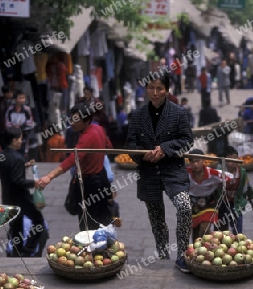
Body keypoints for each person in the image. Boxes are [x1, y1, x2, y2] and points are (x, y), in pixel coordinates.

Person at [124, 75, 194, 273]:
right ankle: (163, 254)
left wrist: (164, 149)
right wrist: (143, 156)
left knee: (185, 207)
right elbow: (130, 145)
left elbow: (187, 140)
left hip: (173, 170)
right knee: (156, 218)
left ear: (167, 90)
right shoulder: (137, 115)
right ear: (146, 89)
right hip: (148, 173)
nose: (155, 93)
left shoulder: (179, 113)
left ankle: (182, 254)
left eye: (159, 88)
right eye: (151, 88)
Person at [37, 102, 114, 231]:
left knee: (88, 223)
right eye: (71, 119)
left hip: (90, 184)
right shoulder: (99, 129)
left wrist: (49, 176)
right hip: (101, 179)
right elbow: (109, 147)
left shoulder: (87, 137)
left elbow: (71, 161)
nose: (72, 123)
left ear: (87, 120)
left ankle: (92, 248)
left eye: (76, 120)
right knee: (102, 219)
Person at [0, 127, 48, 257]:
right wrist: (34, 183)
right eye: (20, 138)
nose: (21, 141)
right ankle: (28, 249)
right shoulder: (18, 158)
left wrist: (24, 165)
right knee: (38, 221)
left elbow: (10, 171)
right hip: (21, 199)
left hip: (8, 198)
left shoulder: (2, 155)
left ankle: (17, 251)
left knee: (16, 227)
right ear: (14, 141)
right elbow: (17, 180)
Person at [187, 149, 233, 241]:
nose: (195, 164)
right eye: (192, 161)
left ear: (204, 161)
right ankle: (196, 251)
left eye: (197, 161)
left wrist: (217, 185)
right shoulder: (186, 173)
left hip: (209, 203)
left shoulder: (212, 173)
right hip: (193, 204)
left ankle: (206, 248)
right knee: (195, 230)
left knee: (205, 229)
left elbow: (229, 177)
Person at [217, 146, 253, 233]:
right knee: (221, 230)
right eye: (230, 160)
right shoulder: (219, 172)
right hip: (222, 203)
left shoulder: (242, 173)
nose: (233, 162)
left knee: (237, 226)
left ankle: (237, 239)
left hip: (236, 203)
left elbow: (248, 188)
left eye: (235, 158)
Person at [5, 90, 34, 158]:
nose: (22, 100)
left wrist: (20, 127)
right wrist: (14, 128)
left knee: (23, 154)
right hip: (12, 136)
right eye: (20, 98)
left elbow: (30, 122)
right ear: (15, 99)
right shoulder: (10, 110)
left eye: (23, 98)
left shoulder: (27, 109)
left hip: (23, 135)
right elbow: (7, 122)